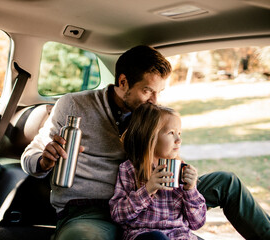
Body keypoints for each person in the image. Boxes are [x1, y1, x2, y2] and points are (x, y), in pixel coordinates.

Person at [21, 45, 270, 240]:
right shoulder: (74, 105)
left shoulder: (150, 113)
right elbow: (30, 157)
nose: (154, 100)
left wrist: (184, 177)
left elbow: (170, 145)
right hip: (93, 208)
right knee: (83, 238)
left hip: (160, 196)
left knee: (227, 183)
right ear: (123, 82)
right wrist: (44, 160)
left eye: (159, 92)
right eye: (147, 91)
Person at [109, 103, 206, 240]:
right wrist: (148, 189)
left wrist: (191, 190)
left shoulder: (181, 169)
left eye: (179, 133)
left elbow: (197, 223)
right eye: (171, 133)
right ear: (150, 136)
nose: (179, 140)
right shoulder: (129, 169)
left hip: (180, 235)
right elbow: (117, 215)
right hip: (145, 235)